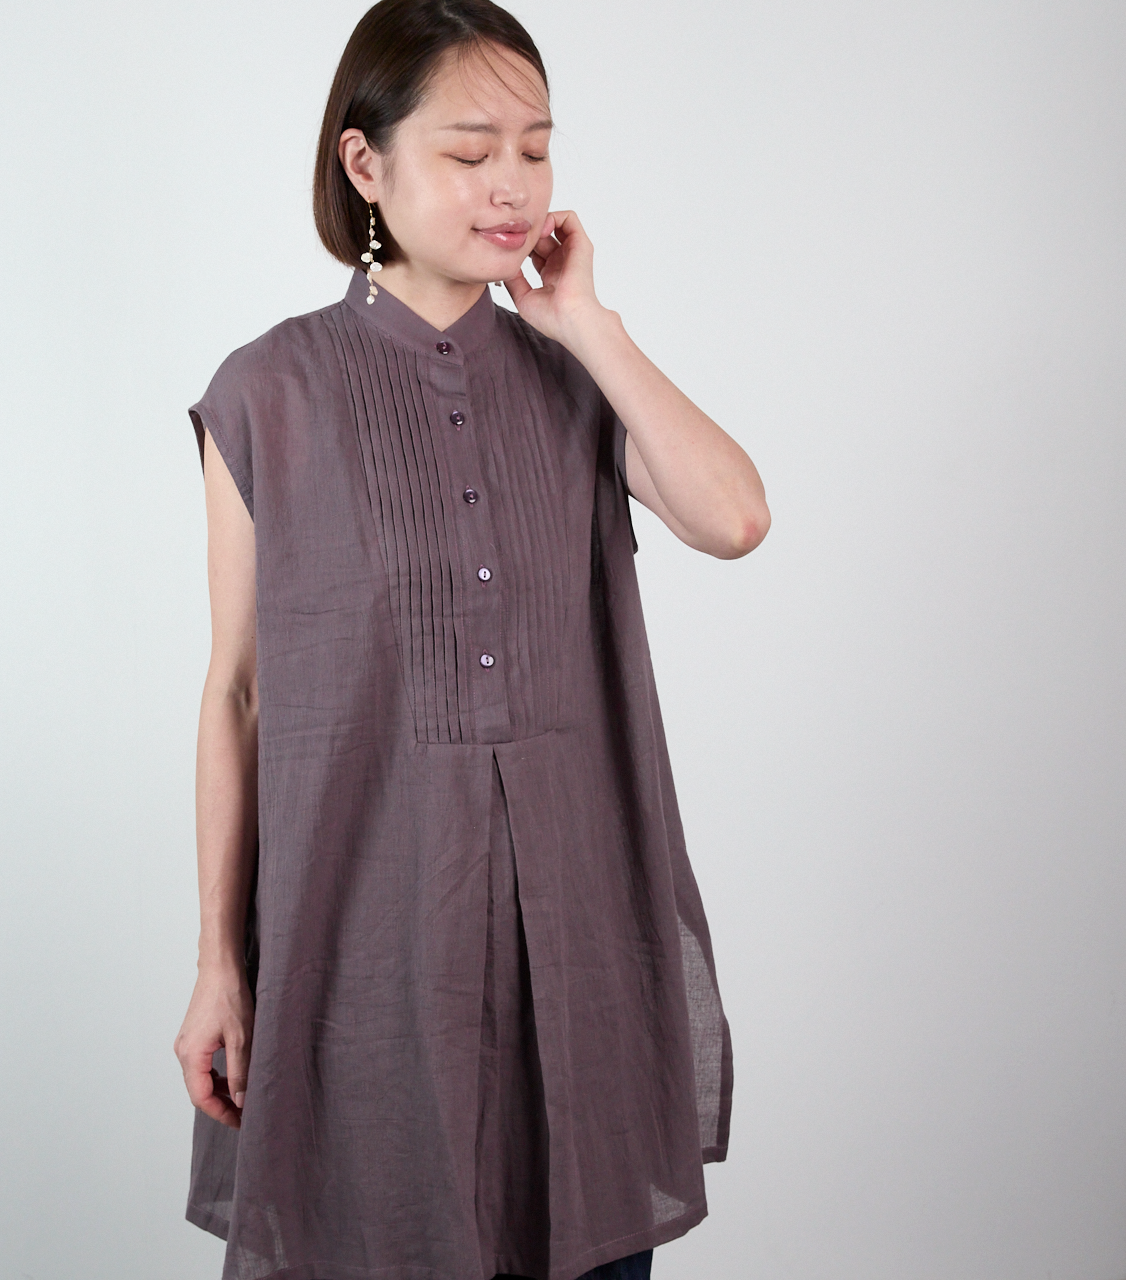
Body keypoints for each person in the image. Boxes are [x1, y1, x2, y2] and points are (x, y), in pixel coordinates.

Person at [173, 2, 770, 1278]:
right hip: (364, 958)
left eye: (536, 149)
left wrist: (588, 325)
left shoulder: (573, 381)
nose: (512, 184)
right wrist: (218, 962)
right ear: (364, 162)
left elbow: (733, 517)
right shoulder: (265, 393)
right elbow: (236, 696)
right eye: (469, 150)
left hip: (578, 949)